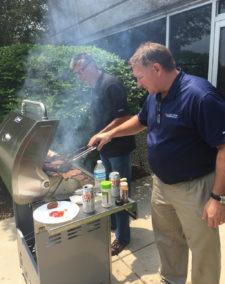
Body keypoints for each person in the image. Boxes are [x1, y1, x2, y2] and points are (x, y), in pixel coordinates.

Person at [88, 42, 225, 284]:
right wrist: (110, 134)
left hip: (195, 188)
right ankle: (171, 279)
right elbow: (141, 121)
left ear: (157, 68)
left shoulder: (200, 96)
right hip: (161, 185)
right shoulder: (155, 95)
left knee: (203, 249)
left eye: (140, 77)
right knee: (167, 239)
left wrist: (218, 198)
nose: (138, 83)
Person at [70, 52, 136, 256]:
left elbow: (124, 117)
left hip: (119, 148)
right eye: (76, 73)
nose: (80, 76)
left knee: (121, 194)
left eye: (81, 70)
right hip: (105, 148)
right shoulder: (93, 86)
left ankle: (123, 237)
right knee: (108, 189)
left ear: (92, 64)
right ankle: (115, 222)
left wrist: (100, 134)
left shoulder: (111, 84)